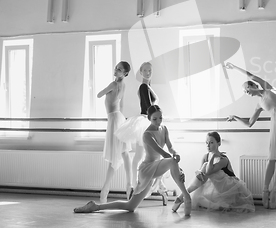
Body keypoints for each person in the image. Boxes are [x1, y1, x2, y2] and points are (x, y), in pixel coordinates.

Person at [74, 105, 192, 216]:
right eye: (155, 119)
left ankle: (96, 206)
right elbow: (164, 153)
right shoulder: (147, 134)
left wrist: (176, 153)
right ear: (149, 119)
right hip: (147, 169)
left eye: (160, 118)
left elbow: (170, 148)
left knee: (130, 206)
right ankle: (186, 197)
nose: (158, 121)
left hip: (156, 167)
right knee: (171, 162)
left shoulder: (164, 129)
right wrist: (177, 166)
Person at [225, 62, 276, 209]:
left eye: (247, 89)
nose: (246, 92)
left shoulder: (268, 87)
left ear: (254, 86)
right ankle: (265, 190)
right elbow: (249, 123)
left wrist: (234, 67)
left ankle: (275, 191)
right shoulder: (259, 104)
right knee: (272, 158)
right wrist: (235, 117)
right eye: (244, 92)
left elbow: (250, 75)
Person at [171, 131, 255, 213]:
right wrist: (198, 172)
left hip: (229, 188)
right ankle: (186, 196)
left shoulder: (223, 159)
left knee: (206, 166)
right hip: (216, 188)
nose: (208, 145)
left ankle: (182, 196)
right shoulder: (206, 156)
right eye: (206, 143)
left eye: (211, 142)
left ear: (219, 143)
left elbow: (208, 171)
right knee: (202, 177)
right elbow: (200, 173)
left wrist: (213, 155)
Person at [115, 62, 164, 202]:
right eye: (145, 70)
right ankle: (134, 185)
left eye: (150, 70)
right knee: (141, 155)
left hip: (149, 121)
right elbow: (149, 108)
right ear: (140, 72)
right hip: (146, 121)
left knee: (143, 155)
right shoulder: (143, 86)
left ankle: (138, 185)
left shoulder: (147, 86)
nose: (148, 72)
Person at [98, 61, 133, 203]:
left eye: (119, 69)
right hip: (119, 118)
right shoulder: (123, 85)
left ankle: (105, 191)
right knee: (124, 153)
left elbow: (99, 95)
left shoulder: (113, 85)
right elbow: (121, 104)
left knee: (117, 155)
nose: (116, 70)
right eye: (115, 68)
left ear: (125, 73)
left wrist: (108, 89)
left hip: (114, 119)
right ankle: (129, 185)